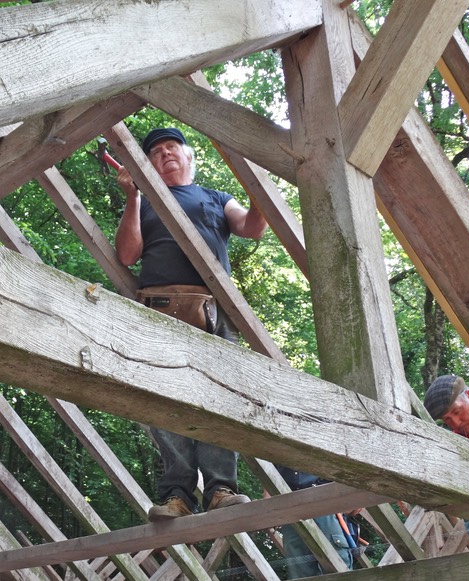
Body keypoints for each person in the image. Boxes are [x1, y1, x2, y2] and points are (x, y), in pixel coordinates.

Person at [115, 126, 268, 520]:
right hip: (159, 309)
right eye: (156, 152)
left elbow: (251, 227)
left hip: (214, 310)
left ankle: (219, 489)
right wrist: (133, 196)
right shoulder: (145, 201)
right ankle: (177, 496)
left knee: (219, 397)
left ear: (189, 157)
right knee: (164, 401)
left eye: (172, 147)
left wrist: (260, 192)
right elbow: (128, 255)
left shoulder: (216, 198)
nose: (164, 154)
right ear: (147, 166)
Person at [424, 374, 469, 549]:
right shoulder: (456, 445)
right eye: (448, 420)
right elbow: (466, 495)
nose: (457, 423)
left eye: (457, 412)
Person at [275, 466, 359, 577]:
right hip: (289, 511)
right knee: (300, 572)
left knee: (338, 567)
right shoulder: (275, 453)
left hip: (325, 505)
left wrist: (353, 497)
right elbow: (269, 484)